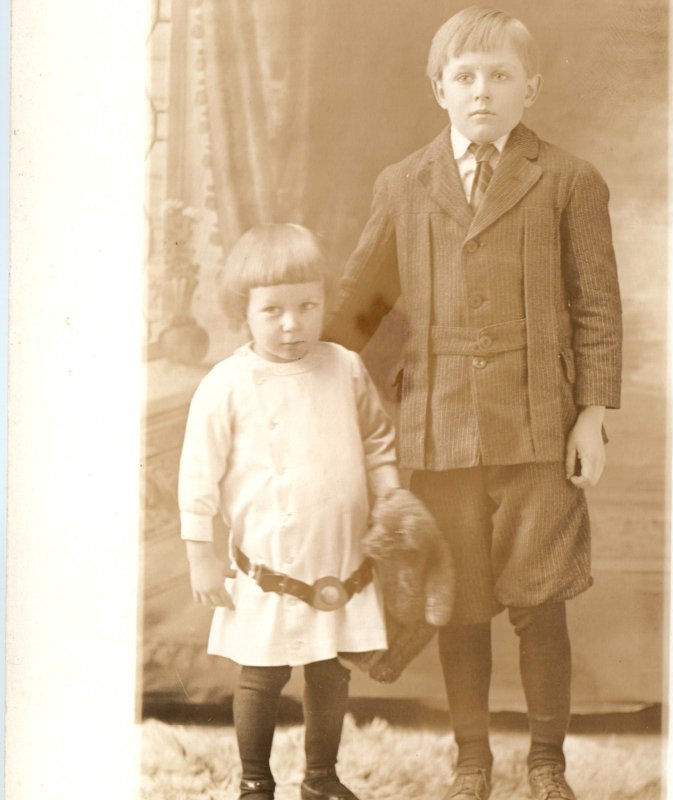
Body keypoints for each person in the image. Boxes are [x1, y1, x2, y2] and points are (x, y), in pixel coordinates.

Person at [325, 7, 623, 800]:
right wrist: (303, 384)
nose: (482, 91)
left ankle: (547, 764)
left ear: (531, 87)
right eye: (465, 77)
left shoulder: (568, 181)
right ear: (439, 90)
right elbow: (360, 308)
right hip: (437, 428)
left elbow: (595, 305)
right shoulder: (404, 183)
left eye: (499, 76)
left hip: (538, 428)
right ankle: (471, 761)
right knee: (459, 604)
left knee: (540, 600)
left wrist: (591, 414)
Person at [178, 224, 401, 800]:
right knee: (262, 673)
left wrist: (389, 495)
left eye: (307, 306)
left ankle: (321, 777)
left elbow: (377, 440)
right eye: (272, 309)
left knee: (330, 668)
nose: (292, 324)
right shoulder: (227, 384)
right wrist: (200, 553)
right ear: (242, 312)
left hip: (339, 559)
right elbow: (198, 473)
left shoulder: (344, 366)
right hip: (268, 563)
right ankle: (256, 780)